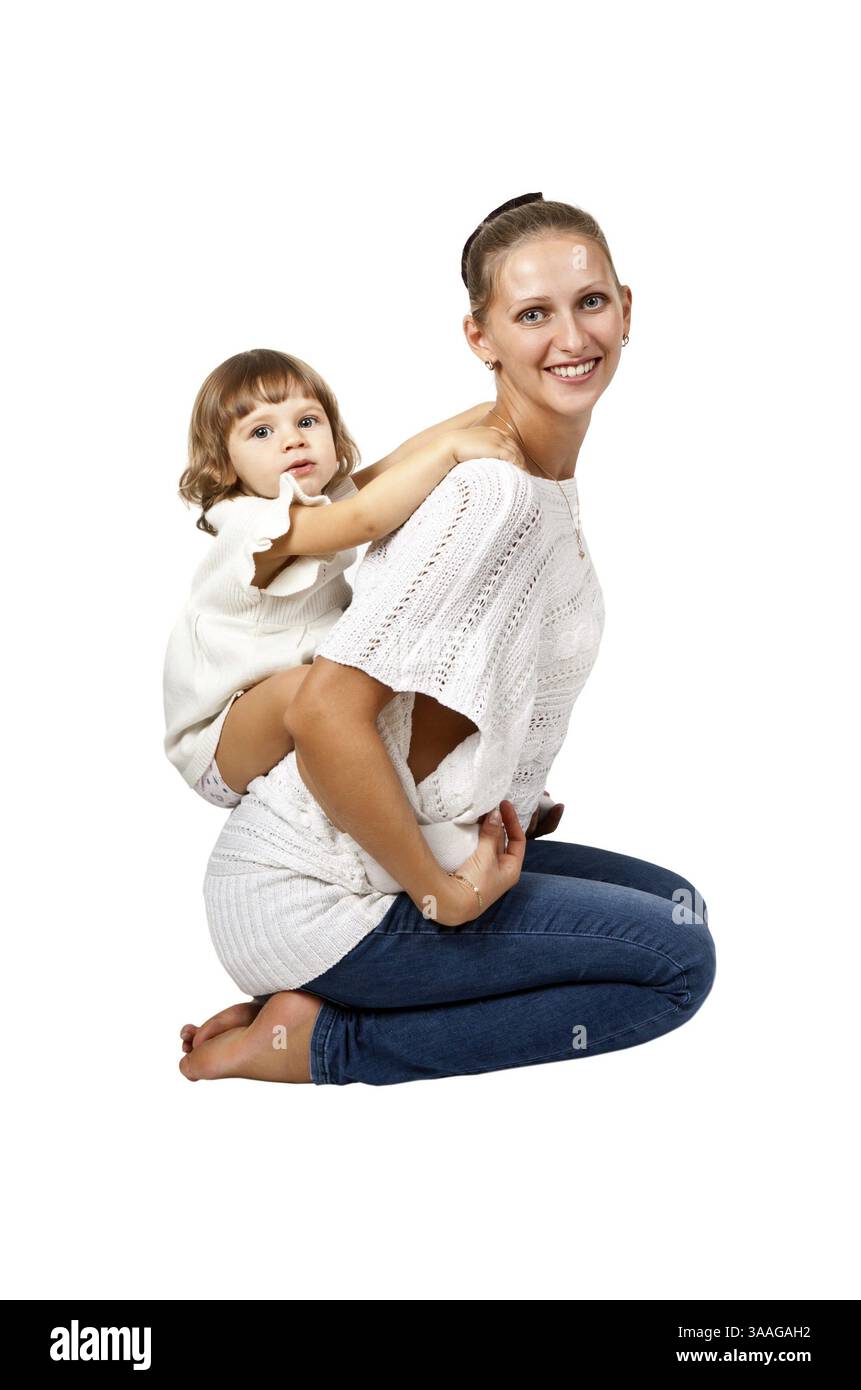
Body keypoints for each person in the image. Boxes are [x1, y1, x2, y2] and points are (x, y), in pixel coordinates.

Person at [179, 193, 716, 1088]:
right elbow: (324, 712)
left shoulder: (532, 479)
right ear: (482, 337)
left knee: (678, 905)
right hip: (321, 896)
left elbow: (448, 684)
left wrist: (505, 790)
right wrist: (442, 893)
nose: (571, 336)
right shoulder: (491, 493)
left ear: (628, 307)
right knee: (677, 961)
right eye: (532, 314)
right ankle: (320, 1040)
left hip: (397, 848)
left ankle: (307, 1001)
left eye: (590, 302)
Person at [162, 346, 529, 806]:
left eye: (308, 421)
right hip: (221, 740)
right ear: (224, 464)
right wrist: (452, 451)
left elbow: (395, 463)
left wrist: (493, 411)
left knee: (405, 687)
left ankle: (481, 789)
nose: (292, 439)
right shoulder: (251, 525)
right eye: (261, 431)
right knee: (320, 693)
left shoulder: (318, 497)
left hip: (302, 698)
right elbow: (367, 519)